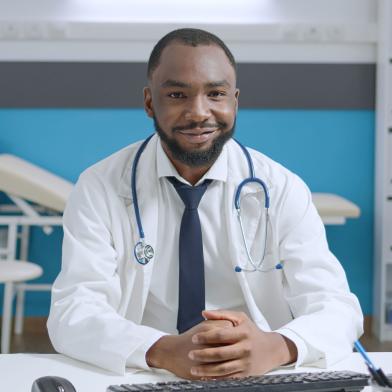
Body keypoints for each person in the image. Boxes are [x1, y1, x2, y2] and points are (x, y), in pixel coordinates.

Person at [47, 28, 363, 379]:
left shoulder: (281, 187)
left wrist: (275, 347)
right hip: (146, 372)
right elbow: (73, 311)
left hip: (259, 376)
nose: (199, 113)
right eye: (177, 94)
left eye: (215, 93)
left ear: (235, 100)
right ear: (150, 102)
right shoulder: (99, 187)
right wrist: (162, 350)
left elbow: (337, 307)